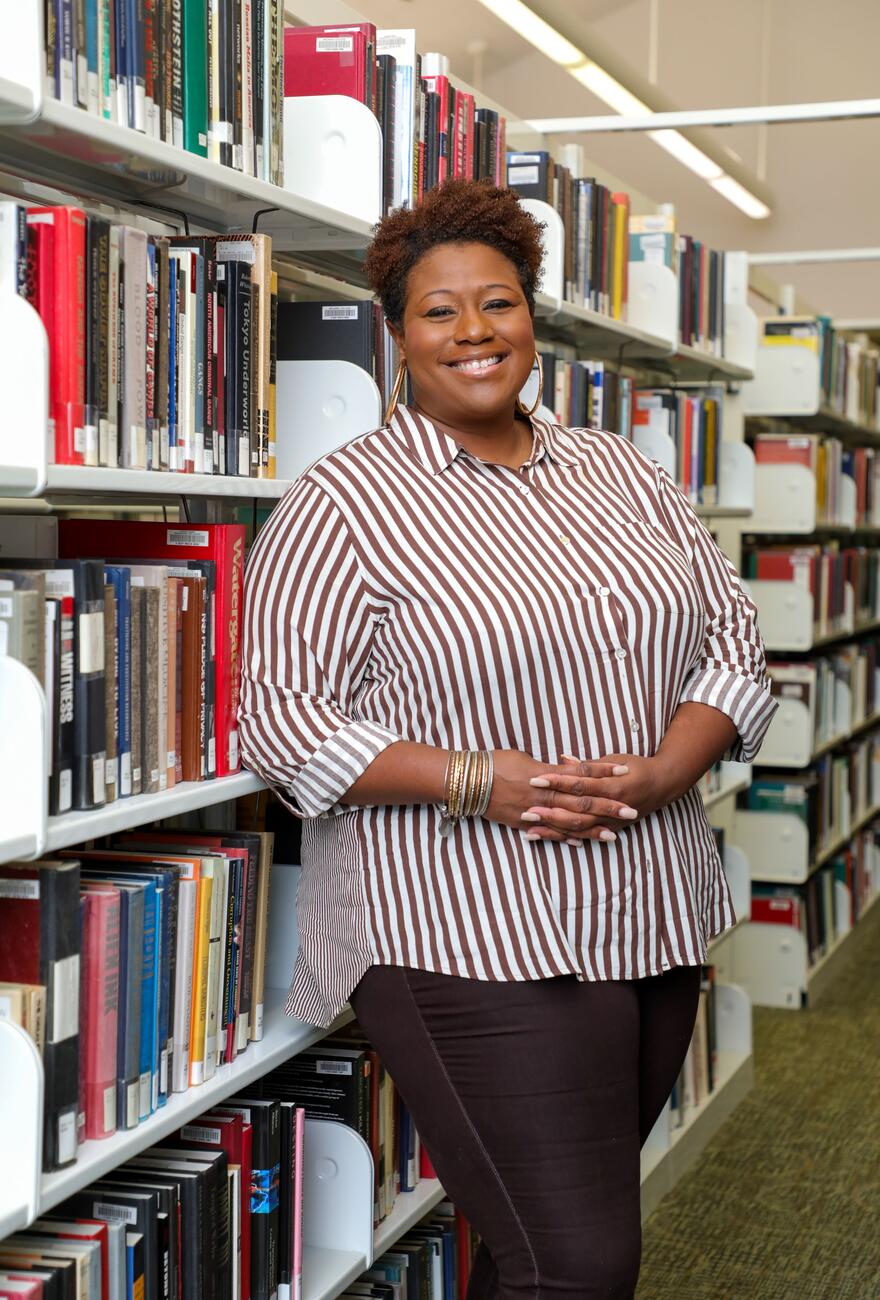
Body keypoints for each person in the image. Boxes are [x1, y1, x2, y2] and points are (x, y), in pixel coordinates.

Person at [239, 178, 777, 1298]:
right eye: (440, 311)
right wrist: (481, 780)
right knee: (577, 1261)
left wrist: (667, 769)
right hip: (460, 919)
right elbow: (283, 723)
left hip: (648, 903)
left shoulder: (621, 471)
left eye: (499, 302)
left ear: (535, 316)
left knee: (536, 1244)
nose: (474, 332)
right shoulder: (342, 504)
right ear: (395, 335)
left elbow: (729, 635)